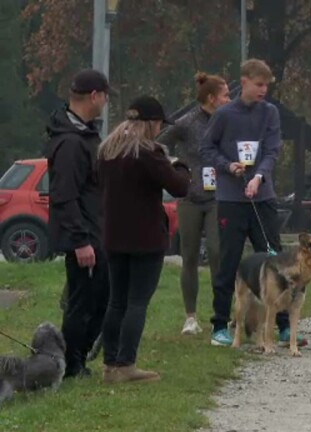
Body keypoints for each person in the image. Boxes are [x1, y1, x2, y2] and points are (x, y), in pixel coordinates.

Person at [199, 59, 299, 347]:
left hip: (262, 196)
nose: (263, 90)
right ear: (243, 82)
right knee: (229, 260)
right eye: (258, 84)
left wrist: (260, 176)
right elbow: (207, 148)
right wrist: (228, 166)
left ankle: (282, 325)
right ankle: (220, 324)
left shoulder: (270, 113)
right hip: (231, 198)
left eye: (267, 85)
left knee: (275, 258)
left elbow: (272, 149)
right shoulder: (224, 115)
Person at [98, 96, 190, 383]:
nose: (161, 128)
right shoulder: (149, 154)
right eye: (160, 123)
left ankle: (110, 364)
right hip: (146, 238)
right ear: (151, 123)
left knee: (116, 302)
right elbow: (179, 187)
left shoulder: (108, 151)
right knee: (137, 302)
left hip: (114, 235)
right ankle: (127, 364)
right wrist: (180, 165)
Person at [45, 69, 110, 378]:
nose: (106, 102)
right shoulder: (71, 142)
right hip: (84, 237)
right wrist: (81, 240)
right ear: (95, 96)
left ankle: (78, 357)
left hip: (95, 232)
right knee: (82, 302)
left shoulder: (84, 134)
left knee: (99, 297)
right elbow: (64, 195)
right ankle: (73, 363)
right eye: (105, 96)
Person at [158, 72, 230, 335]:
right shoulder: (186, 123)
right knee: (188, 255)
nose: (229, 99)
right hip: (189, 197)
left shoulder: (227, 121)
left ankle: (221, 315)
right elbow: (158, 144)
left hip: (218, 197)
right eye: (225, 95)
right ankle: (191, 317)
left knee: (216, 252)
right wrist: (175, 167)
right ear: (211, 98)